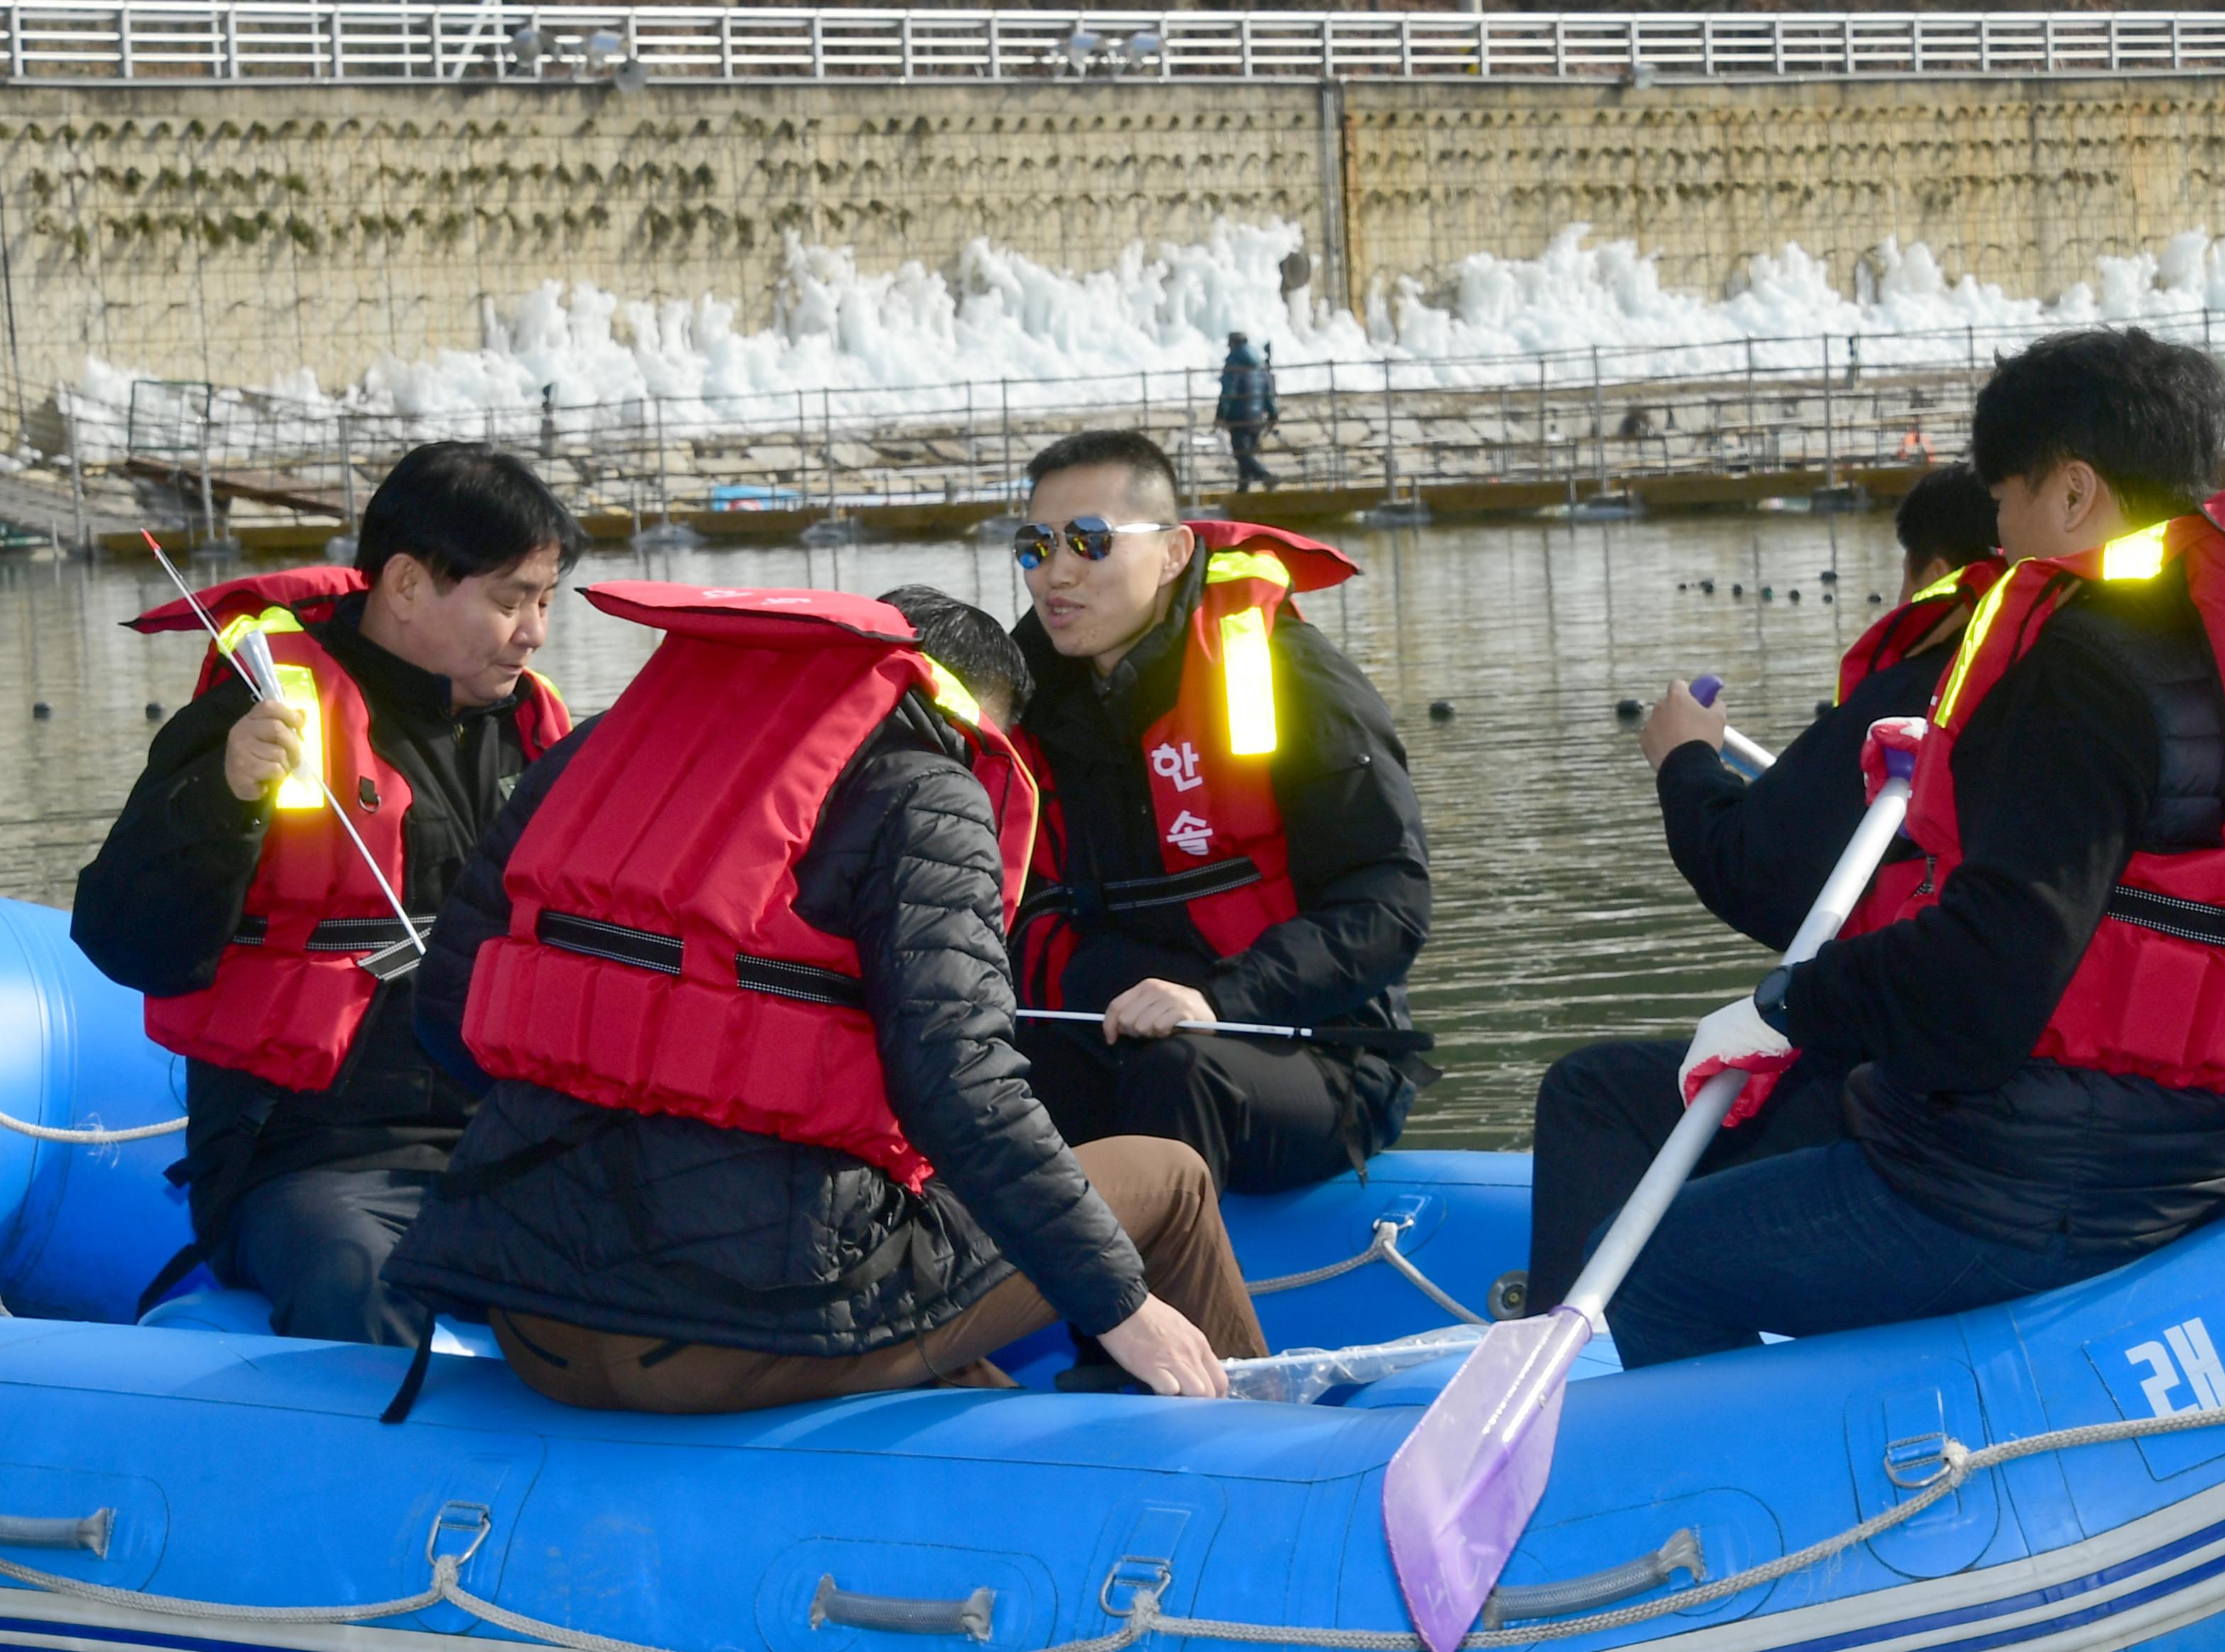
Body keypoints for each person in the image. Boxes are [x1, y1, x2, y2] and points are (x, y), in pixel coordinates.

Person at [1604, 326, 2225, 1366]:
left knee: (1655, 1260)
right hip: (2206, 1138)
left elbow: (1992, 971)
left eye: (2005, 498)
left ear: (2073, 493)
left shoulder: (2084, 664)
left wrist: (1782, 1008)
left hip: (2050, 1176)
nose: (2001, 532)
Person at [378, 579, 1267, 1415]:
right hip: (724, 1340)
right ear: (976, 714)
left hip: (537, 1321)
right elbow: (964, 1089)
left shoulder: (600, 750)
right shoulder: (930, 786)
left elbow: (448, 1009)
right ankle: (1257, 1463)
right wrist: (1122, 1307)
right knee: (1172, 1179)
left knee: (900, 1231)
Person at [74, 441, 581, 1346]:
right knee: (360, 1277)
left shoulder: (535, 733)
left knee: (657, 1249)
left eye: (544, 601)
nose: (534, 631)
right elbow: (127, 939)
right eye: (509, 601)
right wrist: (221, 798)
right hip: (312, 1159)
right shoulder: (264, 710)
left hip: (496, 1146)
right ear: (407, 584)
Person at [1522, 464, 2003, 1311]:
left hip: (1911, 1100)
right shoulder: (2060, 679)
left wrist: (1684, 758)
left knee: (1588, 1090)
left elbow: (1756, 870)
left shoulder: (1929, 680)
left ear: (1930, 574)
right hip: (2016, 1078)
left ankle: (1564, 1363)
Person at [1006, 430, 1432, 1194]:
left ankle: (1162, 1312)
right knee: (968, 1064)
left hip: (1312, 1051)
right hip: (1110, 1032)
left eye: (1089, 541)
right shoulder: (1028, 699)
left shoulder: (1289, 673)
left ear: (1172, 552)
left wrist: (1221, 1000)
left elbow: (1391, 904)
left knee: (1177, 1070)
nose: (1057, 571)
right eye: (1036, 545)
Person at [1217, 332, 1279, 492]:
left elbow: (1228, 393)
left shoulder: (1233, 364)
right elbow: (1268, 391)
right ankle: (1243, 489)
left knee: (1241, 455)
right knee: (1246, 454)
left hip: (1239, 418)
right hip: (1257, 418)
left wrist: (1221, 415)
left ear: (1233, 344)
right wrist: (1273, 413)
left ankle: (1265, 476)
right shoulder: (1259, 365)